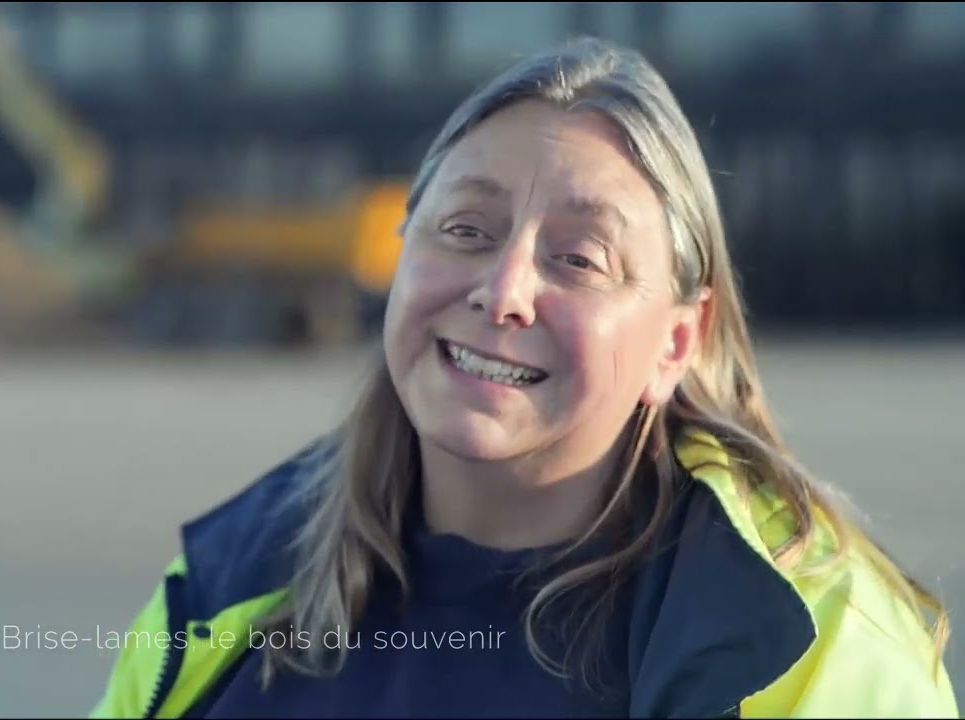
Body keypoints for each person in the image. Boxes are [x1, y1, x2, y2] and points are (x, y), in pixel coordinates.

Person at [89, 37, 957, 719]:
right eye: (465, 229)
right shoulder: (239, 574)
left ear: (677, 340)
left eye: (579, 258)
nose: (503, 291)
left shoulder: (801, 637)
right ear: (399, 257)